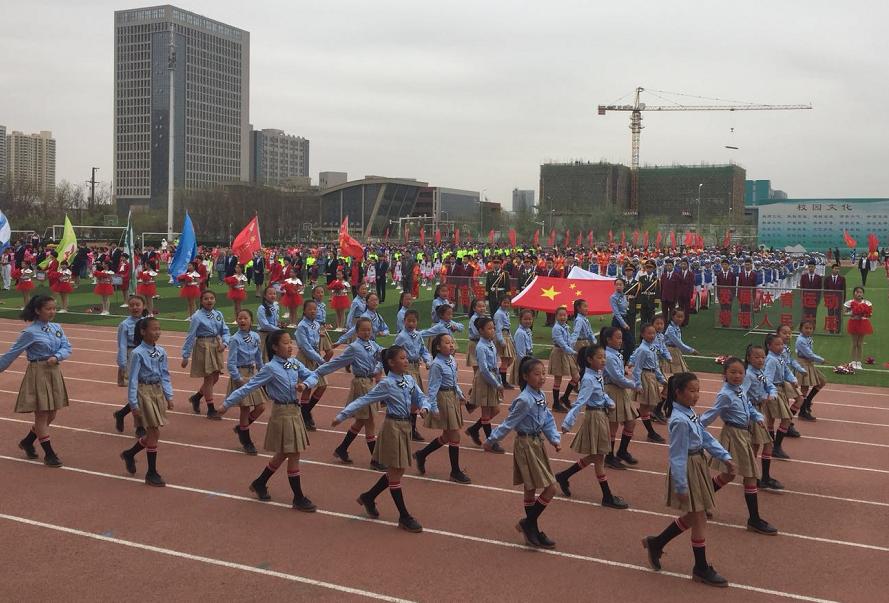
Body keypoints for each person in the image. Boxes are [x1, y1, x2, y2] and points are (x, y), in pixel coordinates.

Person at [642, 372, 735, 587]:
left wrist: (724, 456)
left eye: (698, 391)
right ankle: (700, 567)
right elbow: (677, 456)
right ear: (678, 393)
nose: (696, 395)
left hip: (698, 463)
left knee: (696, 516)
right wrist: (681, 485)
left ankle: (657, 543)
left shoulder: (689, 413)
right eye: (692, 391)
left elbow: (705, 437)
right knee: (698, 517)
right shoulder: (679, 420)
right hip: (689, 467)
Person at [333, 345, 436, 533]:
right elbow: (365, 399)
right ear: (391, 362)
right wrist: (342, 415)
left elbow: (422, 398)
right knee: (396, 471)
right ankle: (404, 516)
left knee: (398, 470)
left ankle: (368, 496)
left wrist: (425, 408)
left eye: (406, 357)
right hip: (393, 427)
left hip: (405, 428)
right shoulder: (386, 384)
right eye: (402, 358)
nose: (407, 361)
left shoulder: (410, 380)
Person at [220, 330, 320, 511]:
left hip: (294, 411)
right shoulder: (270, 368)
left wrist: (305, 384)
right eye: (285, 343)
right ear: (274, 347)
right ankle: (298, 497)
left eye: (291, 342)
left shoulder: (294, 363)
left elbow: (313, 376)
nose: (290, 346)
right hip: (282, 413)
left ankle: (260, 482)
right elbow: (249, 387)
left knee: (284, 453)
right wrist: (227, 404)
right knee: (294, 453)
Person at [484, 356, 562, 549]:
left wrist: (554, 438)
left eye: (543, 373)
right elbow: (508, 423)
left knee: (531, 487)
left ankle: (530, 526)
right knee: (549, 488)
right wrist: (491, 440)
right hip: (526, 444)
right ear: (526, 376)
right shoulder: (525, 400)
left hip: (537, 443)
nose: (542, 377)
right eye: (537, 374)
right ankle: (530, 525)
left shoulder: (540, 395)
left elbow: (547, 419)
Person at [700, 357, 778, 536]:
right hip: (734, 435)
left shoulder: (740, 390)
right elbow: (712, 414)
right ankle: (754, 519)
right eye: (732, 372)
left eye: (740, 372)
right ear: (724, 374)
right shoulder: (725, 394)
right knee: (750, 475)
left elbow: (748, 406)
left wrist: (757, 417)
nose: (737, 375)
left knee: (728, 475)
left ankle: (700, 502)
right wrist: (694, 427)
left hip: (743, 433)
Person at [0, 295, 72, 467]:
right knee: (42, 414)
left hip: (53, 371)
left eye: (54, 308)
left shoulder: (56, 327)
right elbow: (13, 352)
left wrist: (57, 356)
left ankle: (27, 441)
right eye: (48, 309)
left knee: (52, 414)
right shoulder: (30, 333)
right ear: (38, 311)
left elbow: (67, 347)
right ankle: (49, 453)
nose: (52, 311)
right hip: (38, 372)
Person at [555, 344, 629, 509]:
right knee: (599, 456)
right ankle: (607, 496)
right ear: (589, 360)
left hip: (601, 415)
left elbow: (601, 393)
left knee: (597, 456)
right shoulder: (588, 379)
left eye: (604, 357)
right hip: (594, 417)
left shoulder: (597, 374)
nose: (603, 360)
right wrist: (568, 422)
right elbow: (580, 401)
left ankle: (564, 475)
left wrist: (609, 402)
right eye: (599, 357)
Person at [316, 317, 385, 469]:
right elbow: (336, 363)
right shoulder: (354, 347)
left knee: (362, 420)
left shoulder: (373, 345)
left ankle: (342, 449)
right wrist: (317, 373)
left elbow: (383, 357)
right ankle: (375, 459)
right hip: (361, 384)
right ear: (357, 332)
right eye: (363, 330)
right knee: (370, 421)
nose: (367, 333)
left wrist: (379, 367)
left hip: (369, 383)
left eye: (369, 330)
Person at [119, 317, 175, 486]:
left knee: (154, 432)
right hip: (144, 392)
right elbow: (133, 380)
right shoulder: (137, 353)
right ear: (143, 332)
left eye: (159, 329)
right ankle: (151, 472)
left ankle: (130, 453)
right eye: (153, 329)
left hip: (156, 391)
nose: (157, 332)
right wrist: (133, 404)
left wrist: (169, 395)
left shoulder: (161, 352)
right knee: (154, 431)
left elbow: (165, 374)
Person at [413, 333, 471, 483]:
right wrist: (434, 408)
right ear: (438, 347)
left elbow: (454, 381)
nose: (451, 345)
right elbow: (432, 388)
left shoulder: (452, 360)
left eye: (452, 342)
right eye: (447, 343)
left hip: (451, 396)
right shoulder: (436, 364)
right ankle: (455, 471)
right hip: (443, 399)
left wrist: (459, 394)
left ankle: (422, 454)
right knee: (454, 435)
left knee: (447, 436)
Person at [181, 290, 231, 419]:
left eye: (212, 298)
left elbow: (225, 330)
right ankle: (210, 409)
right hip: (203, 346)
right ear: (201, 301)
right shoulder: (197, 316)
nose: (209, 301)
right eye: (206, 299)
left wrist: (225, 343)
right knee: (208, 378)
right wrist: (185, 355)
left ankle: (196, 397)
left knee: (215, 378)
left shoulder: (218, 314)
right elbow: (190, 336)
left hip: (216, 346)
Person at [226, 309, 267, 454]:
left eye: (245, 318)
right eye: (240, 318)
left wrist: (263, 373)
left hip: (252, 374)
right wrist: (238, 379)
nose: (242, 321)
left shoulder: (256, 336)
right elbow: (230, 363)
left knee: (261, 406)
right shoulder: (235, 339)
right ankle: (247, 441)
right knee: (245, 408)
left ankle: (241, 429)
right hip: (241, 373)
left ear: (251, 321)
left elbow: (258, 357)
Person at [743, 345, 782, 490]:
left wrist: (771, 394)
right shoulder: (748, 375)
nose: (761, 360)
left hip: (760, 409)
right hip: (753, 411)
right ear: (748, 358)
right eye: (757, 357)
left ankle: (755, 476)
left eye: (763, 357)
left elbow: (770, 386)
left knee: (759, 445)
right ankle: (757, 477)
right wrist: (755, 405)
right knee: (762, 445)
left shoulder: (760, 372)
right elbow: (742, 396)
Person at [601, 326, 640, 470]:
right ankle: (609, 457)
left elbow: (619, 373)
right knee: (613, 426)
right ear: (608, 340)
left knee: (631, 422)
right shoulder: (608, 356)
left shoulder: (616, 353)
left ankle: (622, 451)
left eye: (621, 338)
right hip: (612, 390)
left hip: (621, 391)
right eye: (617, 338)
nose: (620, 340)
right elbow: (616, 378)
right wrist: (633, 385)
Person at [465, 317, 505, 452]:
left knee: (495, 410)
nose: (492, 330)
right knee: (487, 412)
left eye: (493, 328)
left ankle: (474, 429)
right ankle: (490, 442)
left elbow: (494, 365)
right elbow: (484, 369)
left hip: (492, 378)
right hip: (485, 380)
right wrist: (496, 384)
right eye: (489, 328)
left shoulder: (491, 344)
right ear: (481, 331)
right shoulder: (481, 347)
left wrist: (499, 380)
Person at [113, 295, 149, 438]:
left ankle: (121, 413)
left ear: (144, 306)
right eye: (132, 305)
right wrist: (122, 363)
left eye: (138, 305)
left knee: (143, 392)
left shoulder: (147, 322)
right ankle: (139, 426)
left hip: (145, 356)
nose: (135, 308)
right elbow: (121, 344)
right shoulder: (125, 324)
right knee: (136, 392)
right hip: (131, 356)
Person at [394, 309, 433, 441]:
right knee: (407, 399)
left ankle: (412, 428)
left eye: (414, 321)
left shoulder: (418, 335)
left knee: (415, 401)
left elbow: (424, 350)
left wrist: (428, 360)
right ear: (404, 321)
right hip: (406, 368)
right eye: (408, 321)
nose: (411, 323)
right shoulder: (401, 337)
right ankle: (404, 428)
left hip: (416, 368)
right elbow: (394, 351)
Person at [763, 333, 800, 460]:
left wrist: (793, 379)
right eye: (777, 344)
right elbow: (767, 379)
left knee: (772, 420)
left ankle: (772, 446)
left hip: (780, 389)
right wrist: (770, 393)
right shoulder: (771, 360)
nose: (781, 347)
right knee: (785, 418)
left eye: (782, 344)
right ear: (769, 346)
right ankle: (776, 447)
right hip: (774, 391)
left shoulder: (779, 357)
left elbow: (786, 371)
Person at [629, 323, 667, 444]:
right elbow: (637, 368)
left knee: (649, 406)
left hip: (651, 377)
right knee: (647, 407)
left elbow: (655, 366)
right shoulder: (642, 349)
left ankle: (628, 418)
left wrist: (661, 379)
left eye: (654, 333)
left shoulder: (651, 348)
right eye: (649, 333)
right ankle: (651, 433)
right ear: (642, 334)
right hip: (645, 377)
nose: (652, 336)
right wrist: (638, 384)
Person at [295, 300, 329, 432]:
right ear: (304, 311)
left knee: (323, 385)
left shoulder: (316, 324)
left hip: (315, 356)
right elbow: (305, 347)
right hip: (306, 358)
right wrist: (320, 360)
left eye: (315, 309)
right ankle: (306, 415)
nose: (313, 311)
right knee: (307, 388)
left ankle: (305, 412)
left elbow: (315, 342)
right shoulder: (301, 326)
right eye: (310, 309)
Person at [794, 320, 826, 421]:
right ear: (801, 329)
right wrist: (821, 360)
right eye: (806, 328)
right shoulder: (801, 340)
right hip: (803, 363)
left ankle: (807, 402)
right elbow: (809, 354)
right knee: (804, 388)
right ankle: (803, 412)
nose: (808, 330)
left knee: (822, 381)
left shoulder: (807, 338)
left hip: (808, 363)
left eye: (810, 328)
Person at [549, 306, 579, 412]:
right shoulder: (556, 328)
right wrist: (572, 351)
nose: (563, 317)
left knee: (576, 376)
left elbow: (568, 340)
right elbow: (561, 343)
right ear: (556, 316)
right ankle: (556, 404)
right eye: (560, 315)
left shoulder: (565, 326)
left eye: (564, 315)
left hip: (566, 353)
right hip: (559, 353)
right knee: (558, 379)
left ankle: (565, 397)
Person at [844, 286, 873, 369]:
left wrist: (863, 314)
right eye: (857, 292)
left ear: (863, 293)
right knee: (854, 343)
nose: (859, 294)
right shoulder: (850, 302)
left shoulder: (867, 303)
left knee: (860, 344)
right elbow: (843, 312)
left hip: (863, 323)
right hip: (853, 322)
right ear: (854, 293)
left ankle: (859, 362)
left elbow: (870, 315)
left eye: (860, 292)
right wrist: (852, 313)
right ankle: (853, 362)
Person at [493, 296, 517, 388]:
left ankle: (499, 375)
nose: (506, 304)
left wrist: (511, 338)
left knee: (510, 359)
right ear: (500, 303)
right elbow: (498, 328)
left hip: (506, 335)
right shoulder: (499, 314)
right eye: (504, 302)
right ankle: (503, 381)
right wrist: (501, 340)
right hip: (502, 336)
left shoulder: (505, 313)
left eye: (508, 303)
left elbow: (508, 327)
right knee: (505, 359)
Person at [665, 309, 697, 373]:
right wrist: (691, 350)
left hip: (676, 350)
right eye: (678, 317)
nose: (680, 319)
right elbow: (678, 343)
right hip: (670, 351)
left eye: (682, 317)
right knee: (676, 373)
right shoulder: (670, 329)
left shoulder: (676, 327)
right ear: (673, 317)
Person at [610, 278, 635, 359]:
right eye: (617, 285)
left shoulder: (624, 296)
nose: (618, 286)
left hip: (625, 319)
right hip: (618, 322)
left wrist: (627, 300)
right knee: (616, 343)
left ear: (624, 286)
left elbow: (625, 308)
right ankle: (617, 361)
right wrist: (624, 324)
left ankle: (624, 360)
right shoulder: (613, 297)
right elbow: (616, 313)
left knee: (630, 342)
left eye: (620, 285)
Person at [257, 286, 281, 362]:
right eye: (270, 294)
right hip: (264, 336)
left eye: (274, 293)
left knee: (275, 357)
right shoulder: (262, 308)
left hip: (273, 334)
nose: (273, 295)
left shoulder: (276, 306)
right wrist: (277, 329)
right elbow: (264, 325)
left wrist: (279, 324)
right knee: (264, 358)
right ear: (265, 295)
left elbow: (275, 320)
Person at [510, 309, 534, 385]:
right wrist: (526, 364)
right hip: (523, 361)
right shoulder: (520, 333)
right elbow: (520, 353)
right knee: (524, 384)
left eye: (530, 319)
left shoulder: (528, 330)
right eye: (525, 319)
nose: (528, 321)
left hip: (528, 357)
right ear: (520, 320)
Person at [822, 263, 846, 334]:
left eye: (838, 269)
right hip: (830, 300)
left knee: (838, 315)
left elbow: (844, 290)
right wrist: (826, 300)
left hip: (838, 300)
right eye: (835, 268)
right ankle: (831, 329)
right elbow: (825, 291)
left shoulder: (842, 279)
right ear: (832, 269)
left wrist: (843, 300)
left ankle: (838, 330)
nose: (837, 270)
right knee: (831, 314)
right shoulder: (827, 279)